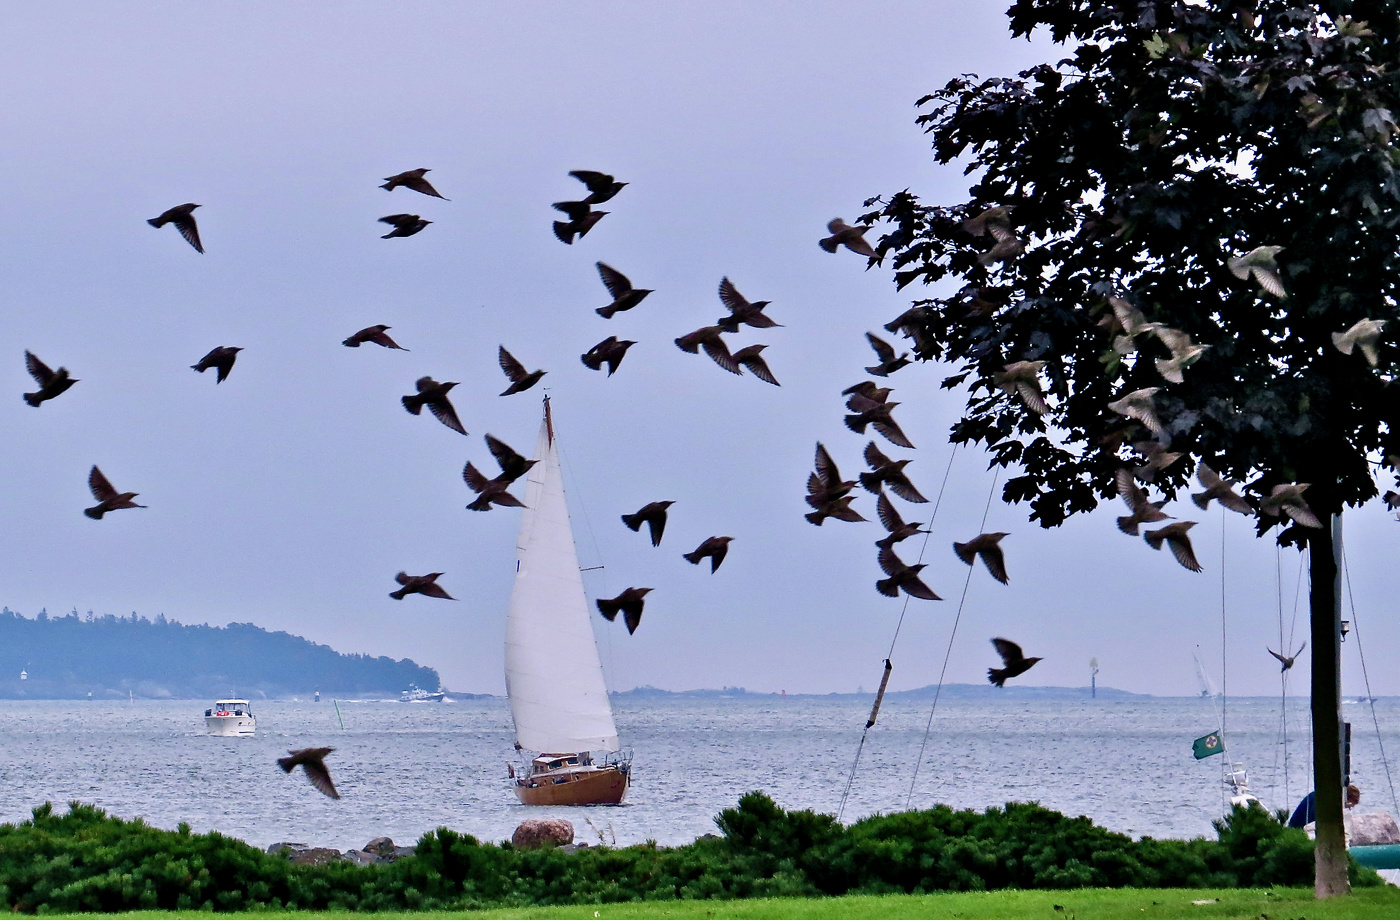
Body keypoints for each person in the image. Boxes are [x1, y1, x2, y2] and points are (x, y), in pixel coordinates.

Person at [1288, 784, 1360, 828]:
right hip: (1299, 829)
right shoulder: (1323, 800)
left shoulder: (1327, 797)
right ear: (1345, 798)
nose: (1348, 808)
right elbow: (1315, 819)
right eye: (1348, 806)